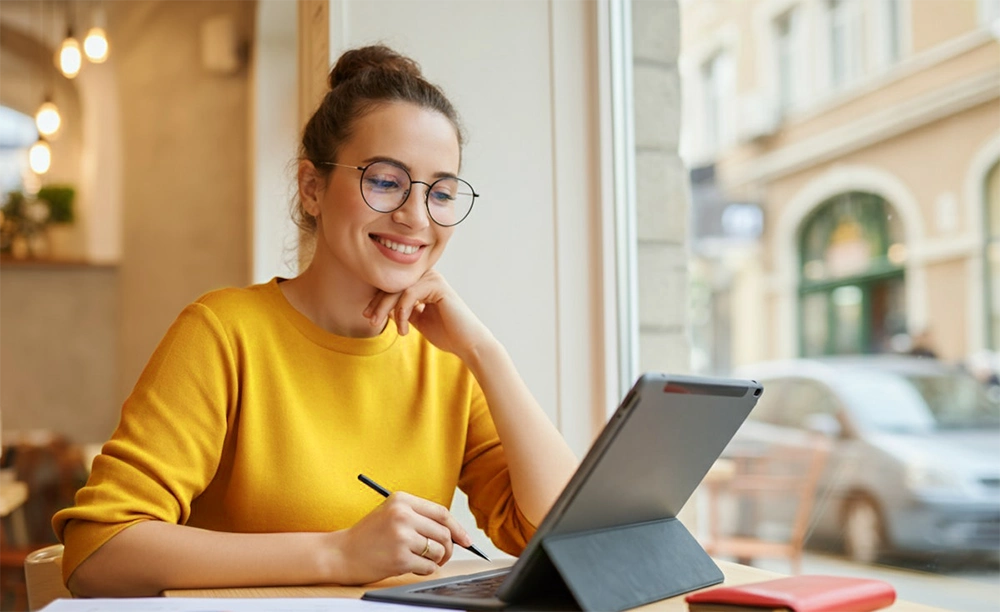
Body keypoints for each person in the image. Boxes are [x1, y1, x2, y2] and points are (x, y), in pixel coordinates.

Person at [52, 44, 578, 597]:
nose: (416, 217)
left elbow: (563, 539)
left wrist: (486, 353)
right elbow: (98, 552)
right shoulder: (223, 333)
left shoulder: (448, 361)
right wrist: (338, 552)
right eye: (385, 180)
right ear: (312, 188)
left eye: (441, 192)